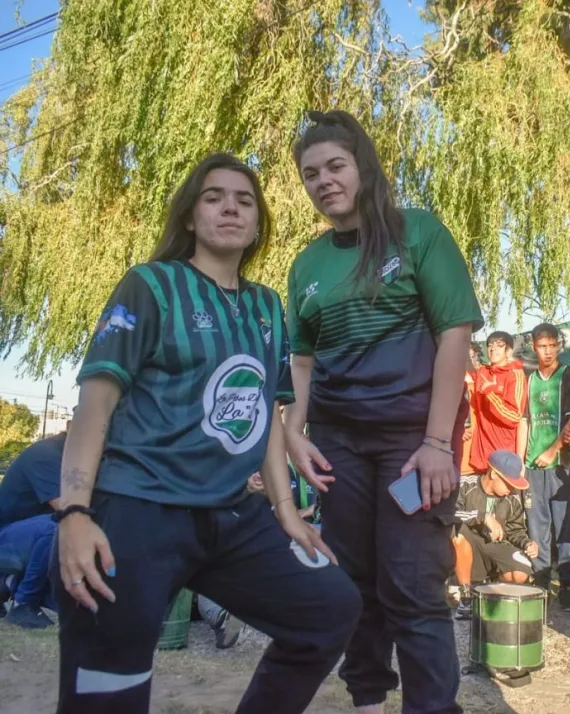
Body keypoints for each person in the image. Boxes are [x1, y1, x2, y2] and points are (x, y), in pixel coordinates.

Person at [51, 152, 360, 714]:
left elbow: (266, 413)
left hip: (230, 514)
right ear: (190, 216)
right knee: (107, 687)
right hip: (137, 509)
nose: (230, 209)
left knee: (329, 607)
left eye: (245, 201)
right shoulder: (150, 286)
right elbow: (94, 406)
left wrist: (287, 511)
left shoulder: (267, 307)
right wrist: (74, 512)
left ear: (258, 222)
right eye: (214, 197)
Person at [284, 110, 483, 714]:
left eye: (336, 166)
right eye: (311, 173)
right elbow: (302, 362)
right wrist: (294, 433)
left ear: (363, 168)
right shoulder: (306, 266)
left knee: (413, 586)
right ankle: (367, 700)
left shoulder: (418, 232)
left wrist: (438, 444)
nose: (324, 181)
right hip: (337, 443)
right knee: (352, 585)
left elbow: (455, 335)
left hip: (412, 443)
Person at [523, 323, 570, 611]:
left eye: (551, 345)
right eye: (541, 346)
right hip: (532, 465)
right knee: (538, 525)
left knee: (565, 527)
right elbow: (525, 421)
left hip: (561, 465)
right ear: (534, 347)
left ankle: (568, 584)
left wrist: (552, 450)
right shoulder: (529, 379)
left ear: (558, 346)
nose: (546, 351)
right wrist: (522, 458)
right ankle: (541, 582)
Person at [451, 451, 538, 618]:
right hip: (467, 543)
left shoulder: (513, 498)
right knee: (457, 533)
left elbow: (516, 530)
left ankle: (488, 593)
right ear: (492, 474)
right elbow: (450, 514)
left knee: (520, 574)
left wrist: (527, 543)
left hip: (495, 547)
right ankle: (466, 597)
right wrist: (482, 516)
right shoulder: (465, 485)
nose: (512, 489)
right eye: (508, 483)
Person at [0, 431, 66, 628]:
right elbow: (66, 508)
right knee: (62, 526)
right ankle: (24, 602)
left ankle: (8, 584)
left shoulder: (74, 460)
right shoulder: (46, 454)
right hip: (7, 537)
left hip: (28, 538)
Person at [470, 331, 528, 471]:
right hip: (481, 456)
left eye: (499, 345)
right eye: (490, 345)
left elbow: (515, 416)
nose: (493, 349)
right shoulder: (482, 372)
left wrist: (490, 394)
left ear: (508, 351)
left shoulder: (515, 375)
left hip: (504, 455)